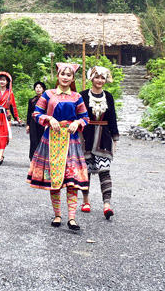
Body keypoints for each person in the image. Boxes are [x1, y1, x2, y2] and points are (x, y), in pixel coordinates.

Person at [27, 63, 89, 231]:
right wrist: (49, 119)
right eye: (63, 74)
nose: (65, 77)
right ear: (58, 76)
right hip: (51, 139)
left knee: (71, 180)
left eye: (69, 75)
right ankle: (57, 215)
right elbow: (36, 113)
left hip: (71, 140)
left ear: (72, 78)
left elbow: (85, 117)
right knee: (54, 178)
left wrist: (77, 122)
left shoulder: (77, 97)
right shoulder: (48, 94)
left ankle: (72, 218)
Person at [79, 66, 119, 219]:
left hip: (104, 137)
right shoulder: (82, 96)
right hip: (86, 136)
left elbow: (112, 118)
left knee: (105, 170)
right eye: (97, 77)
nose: (100, 81)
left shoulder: (108, 96)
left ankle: (107, 204)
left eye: (103, 78)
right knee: (85, 171)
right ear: (91, 78)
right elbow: (78, 115)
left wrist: (115, 138)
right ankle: (86, 201)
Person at [0, 71, 19, 165]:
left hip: (6, 114)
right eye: (0, 80)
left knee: (4, 134)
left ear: (7, 82)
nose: (2, 82)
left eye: (4, 80)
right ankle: (0, 153)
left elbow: (13, 106)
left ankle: (0, 155)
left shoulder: (10, 93)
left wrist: (17, 118)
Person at [26, 81, 47, 160]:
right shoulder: (32, 100)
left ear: (43, 89)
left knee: (42, 139)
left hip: (42, 121)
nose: (38, 89)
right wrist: (28, 125)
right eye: (36, 87)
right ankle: (33, 157)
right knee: (33, 139)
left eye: (40, 88)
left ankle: (42, 157)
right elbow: (29, 112)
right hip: (33, 121)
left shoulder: (46, 100)